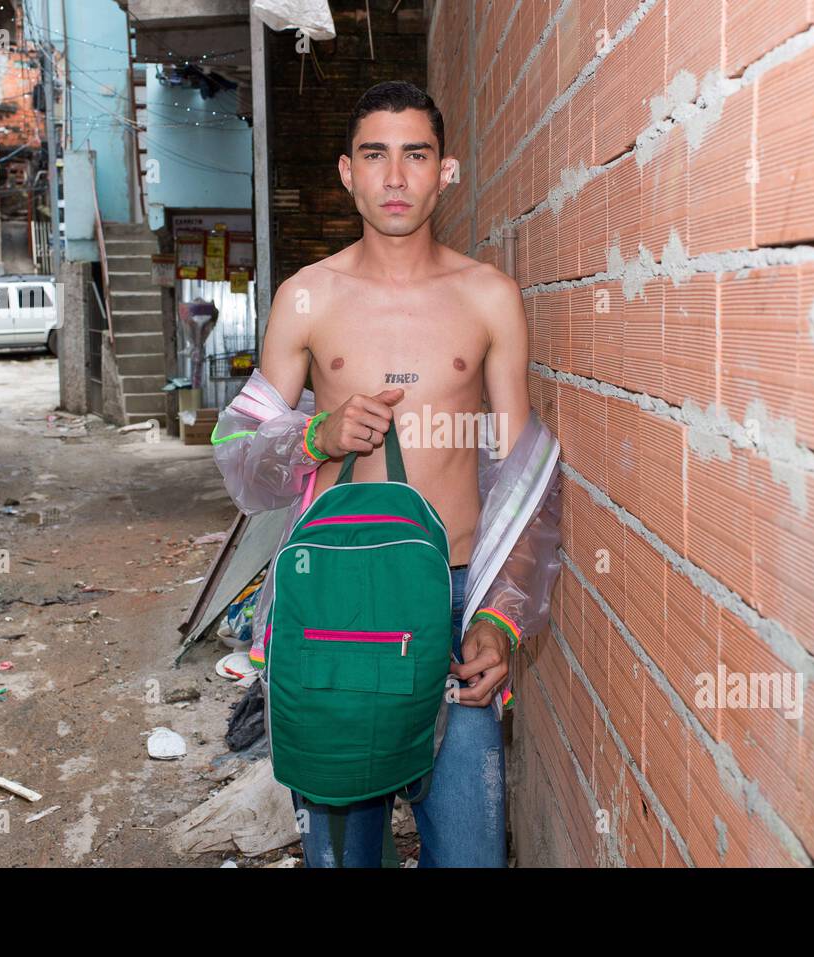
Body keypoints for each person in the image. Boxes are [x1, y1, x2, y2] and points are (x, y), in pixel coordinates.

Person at [212, 80, 563, 867]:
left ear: (447, 171)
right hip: (337, 601)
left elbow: (525, 475)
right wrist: (316, 436)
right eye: (376, 155)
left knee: (470, 853)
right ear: (346, 171)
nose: (396, 176)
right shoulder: (305, 300)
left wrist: (501, 617)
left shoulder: (490, 298)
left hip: (454, 602)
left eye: (416, 155)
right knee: (343, 853)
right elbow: (238, 457)